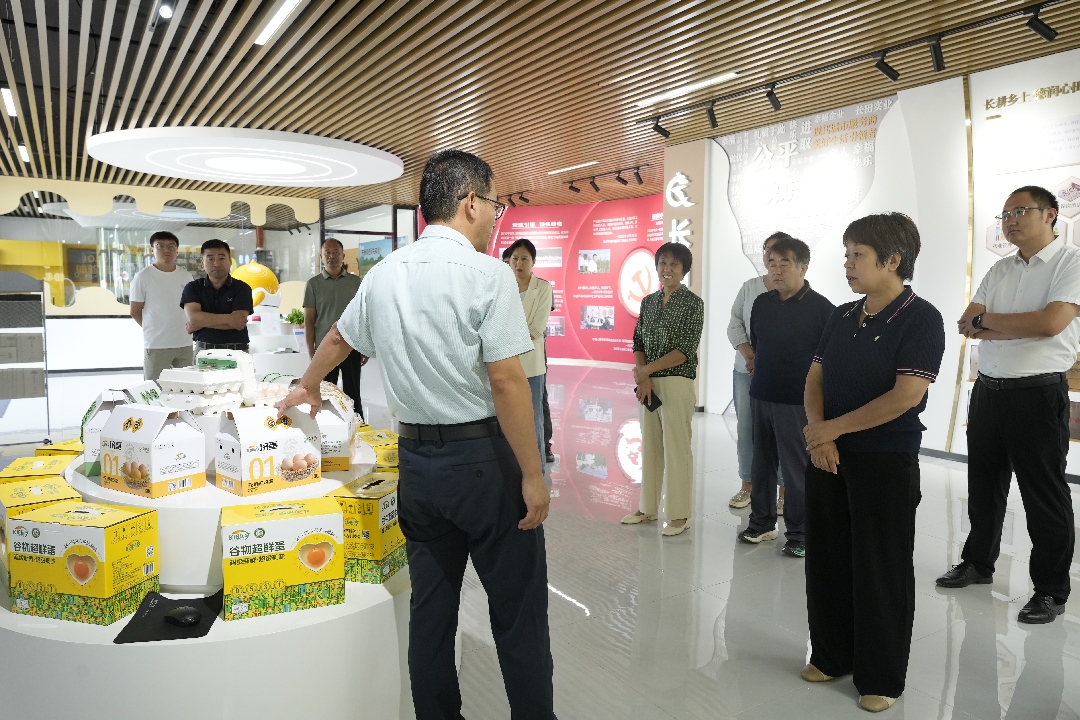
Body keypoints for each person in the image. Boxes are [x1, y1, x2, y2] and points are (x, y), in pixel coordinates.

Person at [275, 149, 555, 719]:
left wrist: (307, 385)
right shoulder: (489, 274)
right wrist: (533, 473)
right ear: (470, 202)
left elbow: (338, 338)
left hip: (418, 467)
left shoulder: (385, 274)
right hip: (484, 464)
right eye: (493, 204)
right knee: (517, 611)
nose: (494, 216)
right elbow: (506, 381)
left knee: (431, 611)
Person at [801, 212, 945, 712]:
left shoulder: (921, 318)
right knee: (827, 559)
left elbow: (905, 396)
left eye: (857, 255)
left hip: (884, 459)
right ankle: (830, 654)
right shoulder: (842, 315)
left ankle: (880, 676)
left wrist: (832, 429)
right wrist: (819, 435)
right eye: (846, 255)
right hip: (828, 455)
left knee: (880, 568)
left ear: (892, 260)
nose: (848, 264)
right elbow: (815, 378)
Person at [937, 185, 1080, 625]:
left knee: (1044, 494)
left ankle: (1051, 590)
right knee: (983, 485)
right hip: (989, 391)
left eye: (1020, 211)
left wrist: (991, 323)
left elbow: (1050, 323)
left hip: (1038, 394)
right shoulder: (1000, 268)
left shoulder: (1070, 262)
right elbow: (968, 323)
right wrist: (1005, 325)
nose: (1010, 221)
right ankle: (978, 563)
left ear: (1050, 214)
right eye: (1005, 214)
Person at [736, 236, 833, 557]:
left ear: (803, 267)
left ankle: (801, 534)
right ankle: (761, 523)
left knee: (796, 469)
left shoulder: (822, 309)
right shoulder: (762, 303)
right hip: (761, 394)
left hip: (797, 401)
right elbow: (758, 344)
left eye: (784, 263)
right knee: (761, 464)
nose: (776, 270)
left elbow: (829, 362)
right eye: (771, 263)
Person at [622, 242, 704, 536]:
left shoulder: (693, 303)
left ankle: (680, 515)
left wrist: (647, 370)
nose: (667, 269)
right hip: (648, 384)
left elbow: (685, 350)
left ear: (684, 269)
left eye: (674, 264)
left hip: (676, 382)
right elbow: (638, 342)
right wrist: (643, 375)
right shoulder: (648, 302)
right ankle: (648, 508)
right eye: (663, 264)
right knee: (651, 446)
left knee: (677, 448)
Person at [727, 232, 788, 513]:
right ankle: (747, 486)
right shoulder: (750, 287)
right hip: (745, 371)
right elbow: (734, 324)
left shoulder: (794, 291)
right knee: (747, 428)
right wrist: (750, 356)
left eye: (780, 255)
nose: (774, 261)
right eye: (769, 253)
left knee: (782, 431)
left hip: (780, 374)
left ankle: (784, 490)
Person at [304, 237, 366, 417]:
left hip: (351, 346)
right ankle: (326, 424)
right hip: (324, 348)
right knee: (325, 391)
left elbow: (363, 316)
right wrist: (312, 351)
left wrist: (365, 346)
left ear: (343, 256)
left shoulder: (355, 282)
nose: (332, 256)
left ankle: (358, 424)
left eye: (336, 252)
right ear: (321, 257)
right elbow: (309, 321)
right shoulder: (313, 284)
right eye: (327, 253)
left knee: (353, 391)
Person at [507, 238, 553, 482]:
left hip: (532, 366)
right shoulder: (503, 288)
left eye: (524, 259)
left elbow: (537, 329)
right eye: (515, 258)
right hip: (506, 365)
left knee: (534, 420)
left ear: (533, 262)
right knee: (508, 419)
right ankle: (514, 473)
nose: (519, 263)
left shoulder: (543, 288)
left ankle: (538, 475)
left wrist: (505, 338)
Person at [129, 231, 194, 380]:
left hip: (184, 342)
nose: (166, 250)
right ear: (152, 249)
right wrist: (153, 327)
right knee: (154, 387)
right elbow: (135, 310)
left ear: (177, 251)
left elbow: (191, 306)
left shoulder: (186, 276)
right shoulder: (143, 276)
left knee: (185, 386)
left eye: (171, 246)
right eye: (161, 246)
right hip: (157, 344)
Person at [180, 239, 253, 352]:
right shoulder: (193, 287)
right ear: (202, 263)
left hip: (237, 350)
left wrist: (201, 323)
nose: (216, 263)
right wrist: (229, 319)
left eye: (221, 258)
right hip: (204, 350)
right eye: (210, 259)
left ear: (230, 261)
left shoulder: (242, 288)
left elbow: (239, 322)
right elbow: (193, 318)